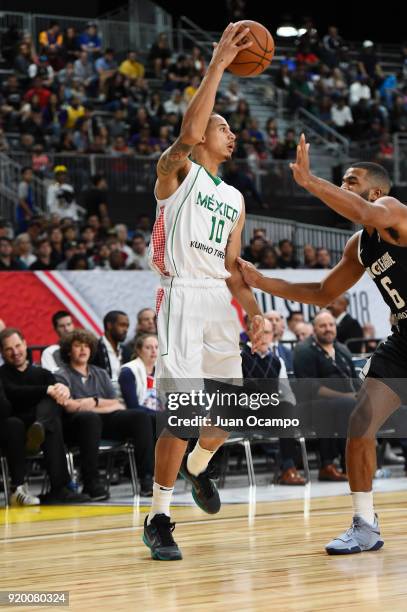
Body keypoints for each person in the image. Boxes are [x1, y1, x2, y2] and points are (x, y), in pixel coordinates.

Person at [238, 133, 407, 555]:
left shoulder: (393, 211)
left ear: (377, 190)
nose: (345, 186)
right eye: (342, 181)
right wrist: (263, 282)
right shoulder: (360, 245)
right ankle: (365, 524)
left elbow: (364, 209)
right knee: (361, 420)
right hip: (404, 340)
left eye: (352, 181)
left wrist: (311, 182)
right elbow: (320, 291)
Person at [143, 23, 264, 561]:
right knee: (183, 415)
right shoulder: (176, 173)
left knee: (223, 422)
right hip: (180, 295)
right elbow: (188, 133)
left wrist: (256, 312)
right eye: (222, 125)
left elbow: (234, 265)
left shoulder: (236, 198)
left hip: (217, 300)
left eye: (231, 129)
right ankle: (159, 516)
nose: (229, 133)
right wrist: (217, 64)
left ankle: (197, 468)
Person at [55, 329, 155, 498]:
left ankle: (146, 479)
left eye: (86, 346)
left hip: (104, 420)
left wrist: (92, 402)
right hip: (76, 426)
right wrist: (99, 405)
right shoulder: (61, 374)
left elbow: (117, 403)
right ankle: (91, 483)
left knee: (140, 417)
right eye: (77, 346)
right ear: (68, 351)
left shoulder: (100, 373)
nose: (83, 350)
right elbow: (69, 406)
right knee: (90, 418)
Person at [0, 328, 89, 504]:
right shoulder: (2, 374)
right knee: (44, 413)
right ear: (2, 352)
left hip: (40, 424)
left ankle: (59, 489)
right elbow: (13, 393)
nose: (16, 352)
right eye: (9, 349)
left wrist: (63, 388)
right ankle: (57, 487)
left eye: (18, 345)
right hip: (15, 424)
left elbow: (58, 393)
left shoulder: (42, 373)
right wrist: (46, 389)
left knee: (52, 410)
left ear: (25, 344)